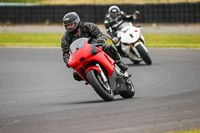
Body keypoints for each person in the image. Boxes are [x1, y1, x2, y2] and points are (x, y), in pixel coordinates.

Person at [61, 12, 128, 81]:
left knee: (109, 48)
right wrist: (68, 62)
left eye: (71, 25)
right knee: (76, 75)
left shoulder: (88, 26)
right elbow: (65, 52)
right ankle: (93, 80)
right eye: (67, 26)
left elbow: (101, 35)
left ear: (77, 22)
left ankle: (120, 64)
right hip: (81, 56)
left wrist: (100, 40)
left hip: (95, 48)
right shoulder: (65, 38)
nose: (69, 27)